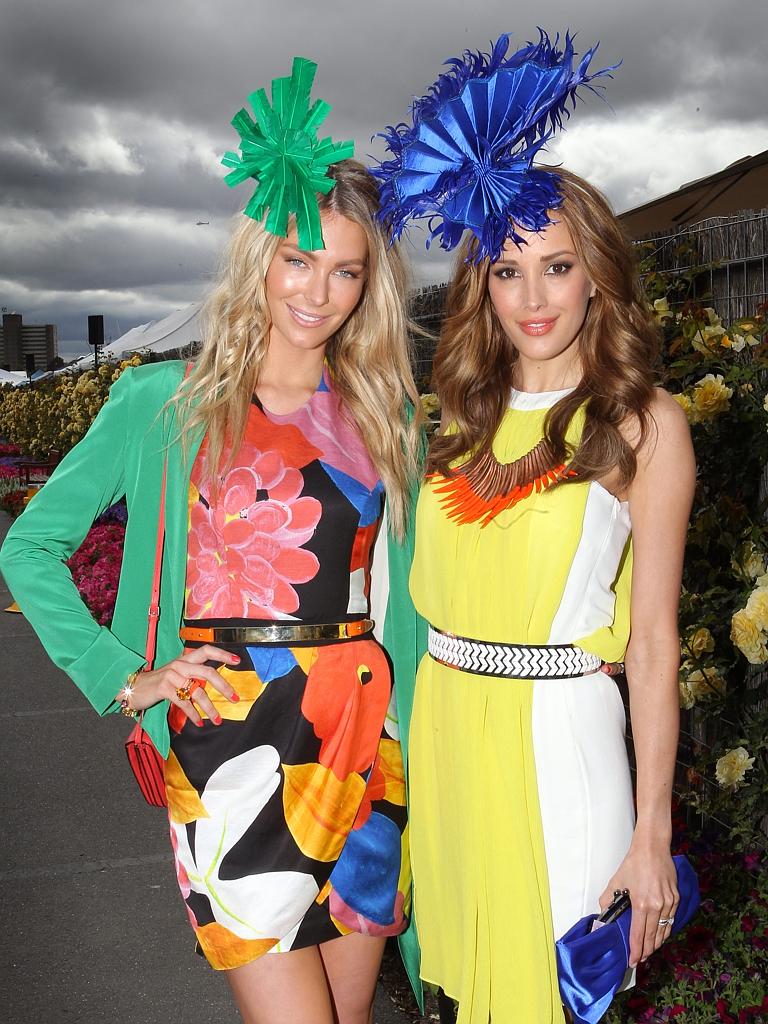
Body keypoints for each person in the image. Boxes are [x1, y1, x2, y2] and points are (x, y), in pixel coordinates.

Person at [0, 59, 423, 1024]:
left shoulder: (385, 412)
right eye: (298, 258)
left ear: (369, 283)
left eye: (346, 269)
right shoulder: (164, 405)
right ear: (259, 259)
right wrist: (124, 676)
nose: (319, 290)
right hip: (228, 750)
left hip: (361, 742)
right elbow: (28, 548)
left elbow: (414, 580)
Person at [375, 35, 696, 1023]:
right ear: (481, 285)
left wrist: (651, 831)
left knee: (553, 999)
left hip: (564, 749)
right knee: (463, 990)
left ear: (596, 274)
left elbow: (650, 646)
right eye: (507, 272)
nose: (533, 298)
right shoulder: (456, 414)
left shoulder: (646, 422)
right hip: (447, 737)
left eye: (556, 267)